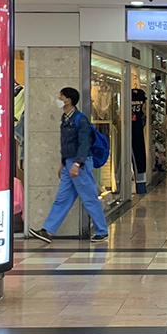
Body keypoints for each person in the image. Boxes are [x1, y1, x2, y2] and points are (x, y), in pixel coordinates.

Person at [28, 86, 109, 244]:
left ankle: (102, 231)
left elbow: (84, 143)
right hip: (68, 163)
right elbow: (66, 144)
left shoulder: (80, 119)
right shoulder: (65, 118)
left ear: (69, 100)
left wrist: (77, 164)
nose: (59, 100)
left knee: (89, 197)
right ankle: (48, 231)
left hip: (80, 163)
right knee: (62, 198)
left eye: (61, 97)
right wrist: (63, 163)